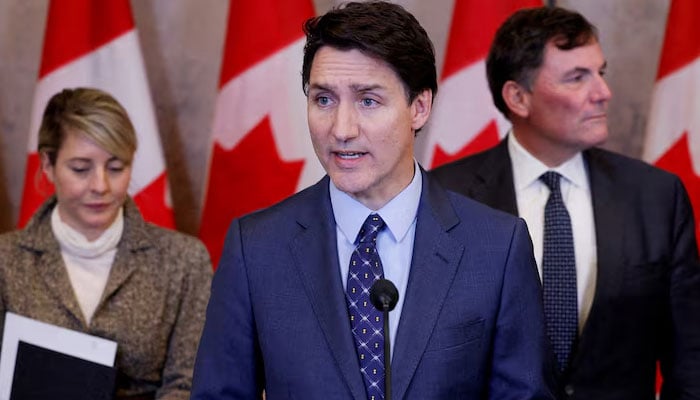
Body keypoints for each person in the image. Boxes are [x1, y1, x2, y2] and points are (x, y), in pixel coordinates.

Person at [191, 2, 555, 399]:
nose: (341, 129)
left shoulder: (497, 246)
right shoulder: (256, 247)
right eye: (324, 100)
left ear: (419, 107)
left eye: (368, 101)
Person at [431, 6, 700, 400]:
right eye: (577, 78)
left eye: (600, 73)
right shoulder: (446, 197)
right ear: (518, 98)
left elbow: (691, 359)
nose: (603, 92)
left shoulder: (656, 196)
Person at [0, 87, 212, 399]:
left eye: (116, 167)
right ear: (48, 164)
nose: (100, 186)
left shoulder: (184, 261)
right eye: (81, 168)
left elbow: (188, 384)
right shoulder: (6, 261)